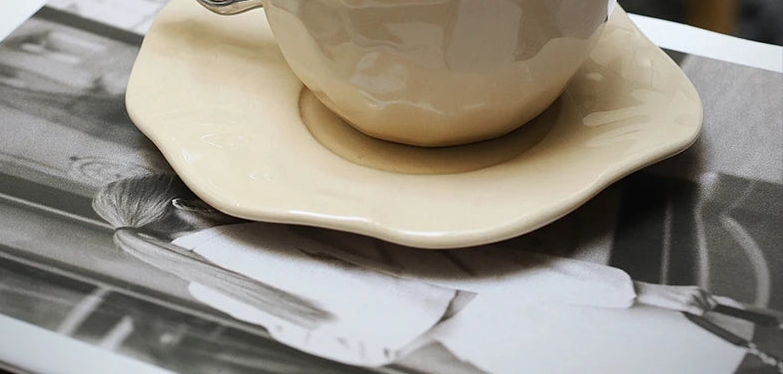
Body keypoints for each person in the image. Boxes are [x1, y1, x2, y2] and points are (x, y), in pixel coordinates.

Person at [94, 173, 780, 372]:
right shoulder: (280, 232)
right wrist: (640, 290)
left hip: (485, 353)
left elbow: (351, 341)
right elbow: (488, 270)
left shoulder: (202, 280)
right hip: (536, 313)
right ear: (183, 201)